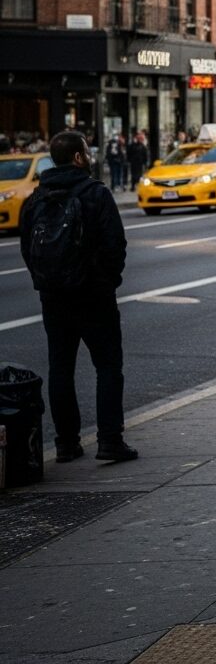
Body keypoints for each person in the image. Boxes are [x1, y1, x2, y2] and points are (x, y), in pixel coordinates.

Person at [19, 130, 137, 463]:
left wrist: (45, 282)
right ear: (78, 157)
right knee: (108, 366)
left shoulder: (35, 199)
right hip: (94, 294)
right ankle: (110, 440)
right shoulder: (95, 193)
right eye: (86, 151)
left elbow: (28, 249)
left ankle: (66, 444)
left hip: (54, 297)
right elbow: (115, 244)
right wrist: (106, 280)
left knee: (60, 369)